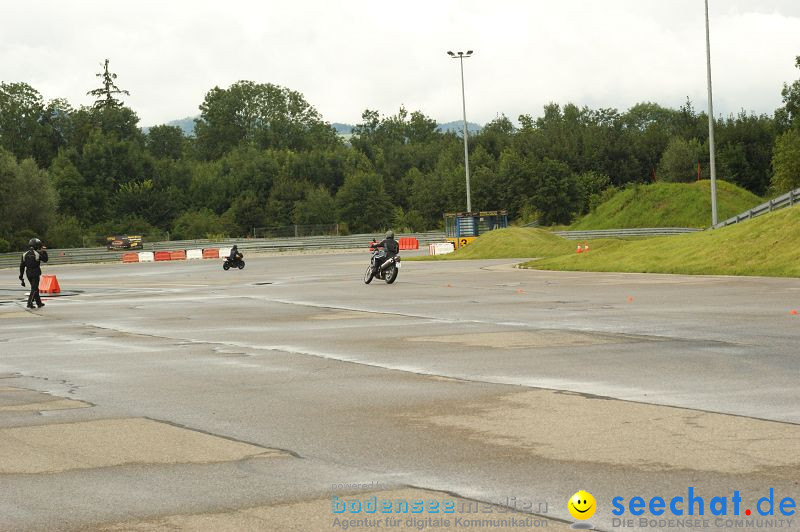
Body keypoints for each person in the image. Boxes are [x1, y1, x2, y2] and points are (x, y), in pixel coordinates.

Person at [19, 238, 48, 309]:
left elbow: (22, 266)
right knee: (34, 288)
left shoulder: (24, 254)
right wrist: (44, 251)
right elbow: (45, 259)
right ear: (36, 246)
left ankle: (39, 303)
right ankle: (29, 303)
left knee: (35, 288)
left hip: (28, 272)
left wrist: (21, 275)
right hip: (35, 272)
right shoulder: (37, 253)